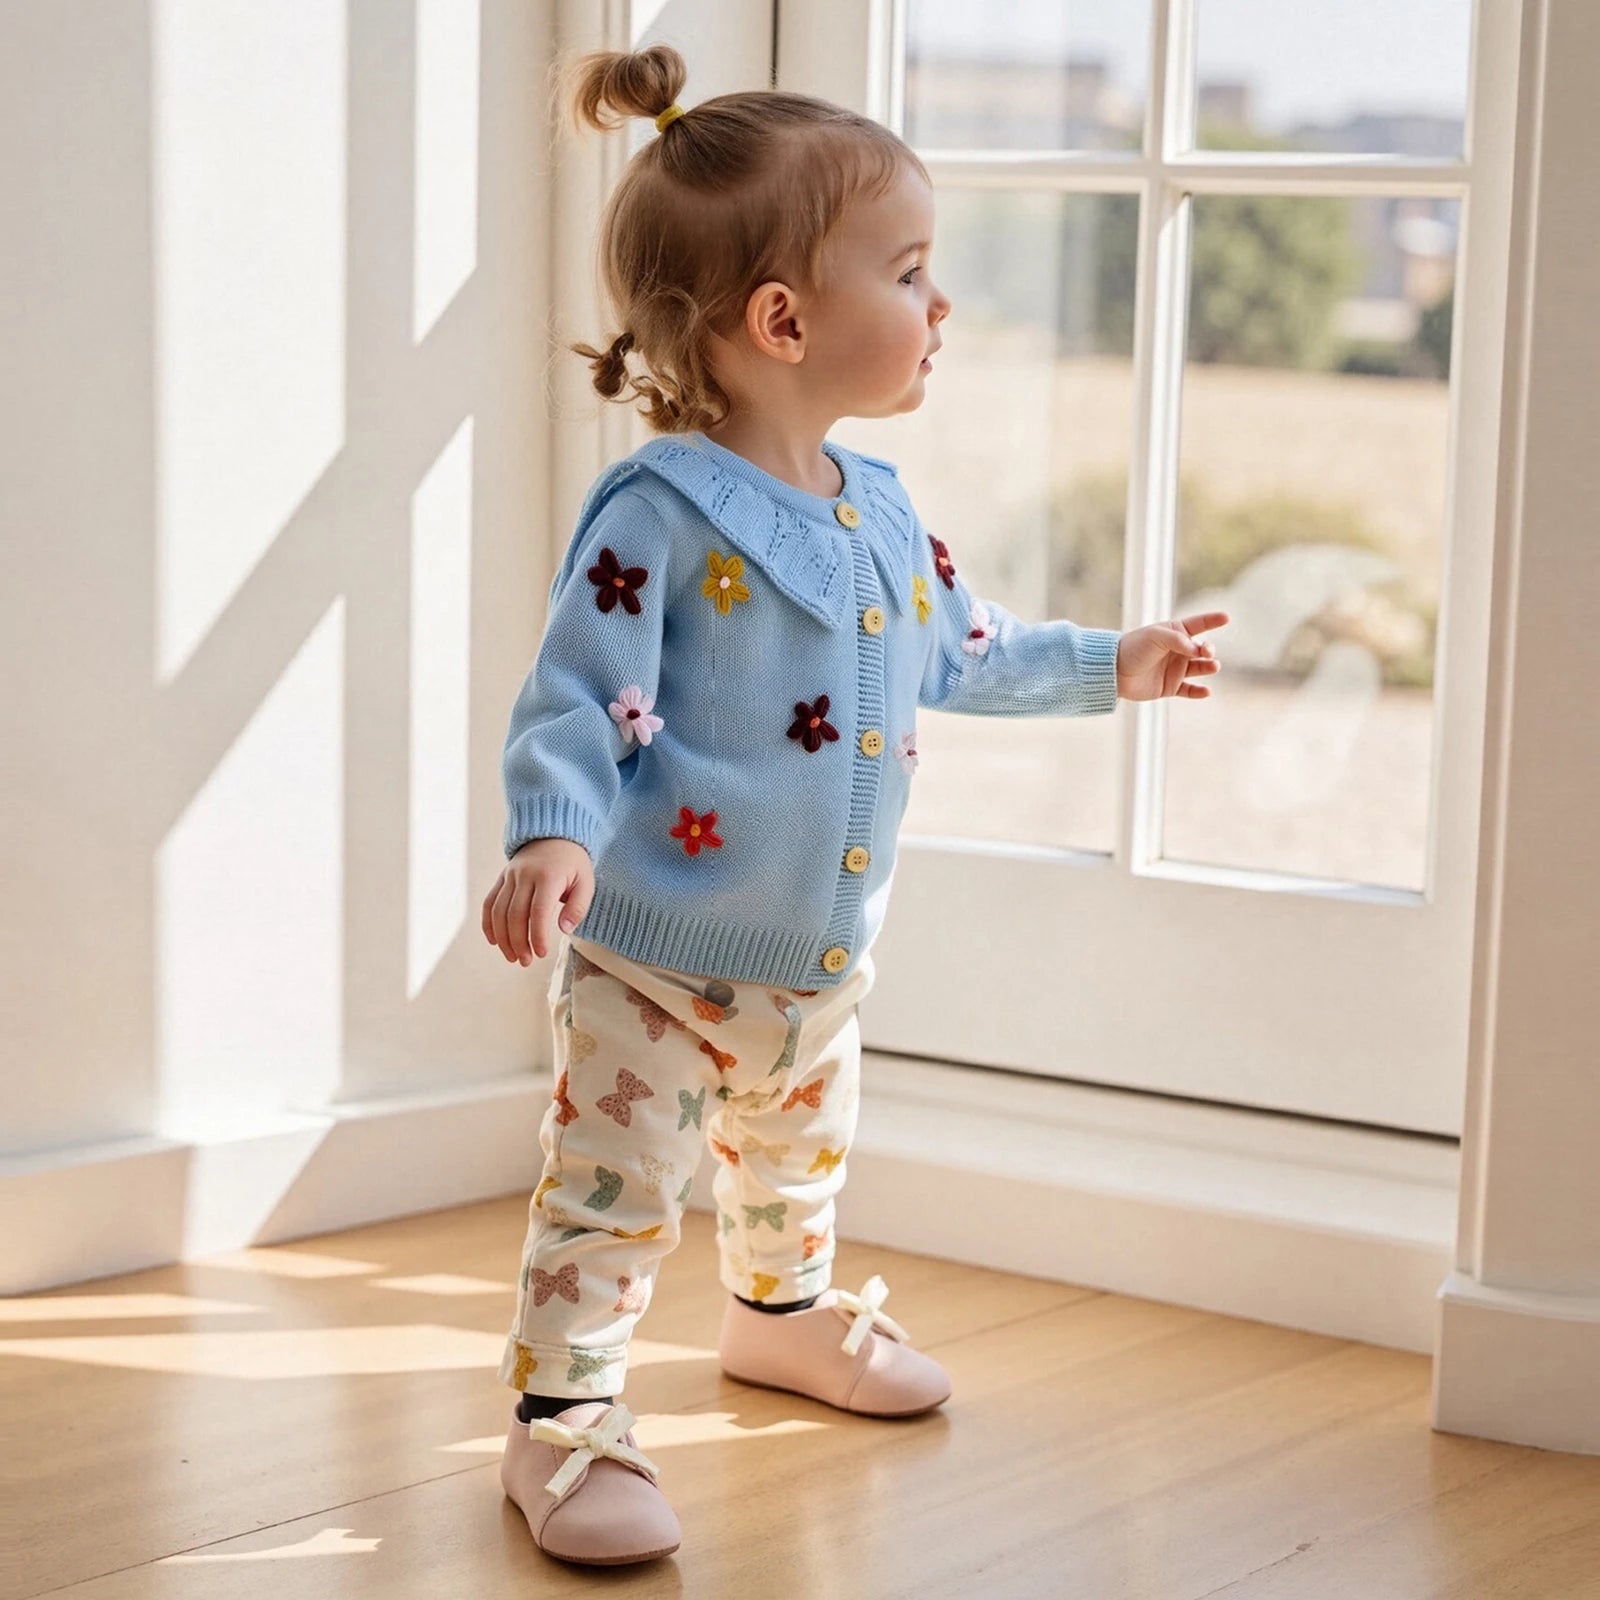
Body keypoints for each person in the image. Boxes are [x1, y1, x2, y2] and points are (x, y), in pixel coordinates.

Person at [481, 42, 1227, 1567]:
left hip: (816, 969)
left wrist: (1115, 663)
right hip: (656, 963)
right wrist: (554, 830)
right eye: (910, 270)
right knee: (615, 1204)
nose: (941, 304)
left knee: (797, 1165)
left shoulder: (878, 509)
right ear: (783, 320)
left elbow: (973, 648)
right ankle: (559, 1426)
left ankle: (782, 1318)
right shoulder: (662, 510)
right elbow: (581, 690)